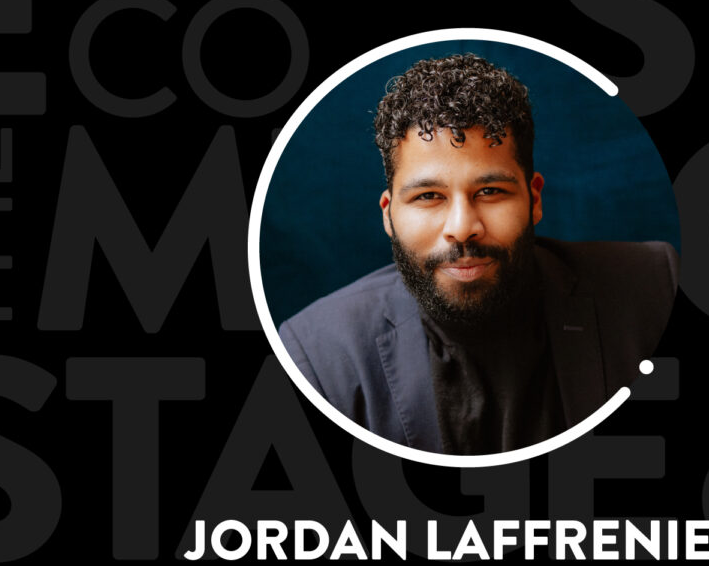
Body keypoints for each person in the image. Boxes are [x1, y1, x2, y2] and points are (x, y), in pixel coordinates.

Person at [279, 53, 678, 455]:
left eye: (490, 192)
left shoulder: (656, 287)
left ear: (533, 198)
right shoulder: (317, 356)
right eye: (428, 196)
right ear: (389, 215)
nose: (462, 226)